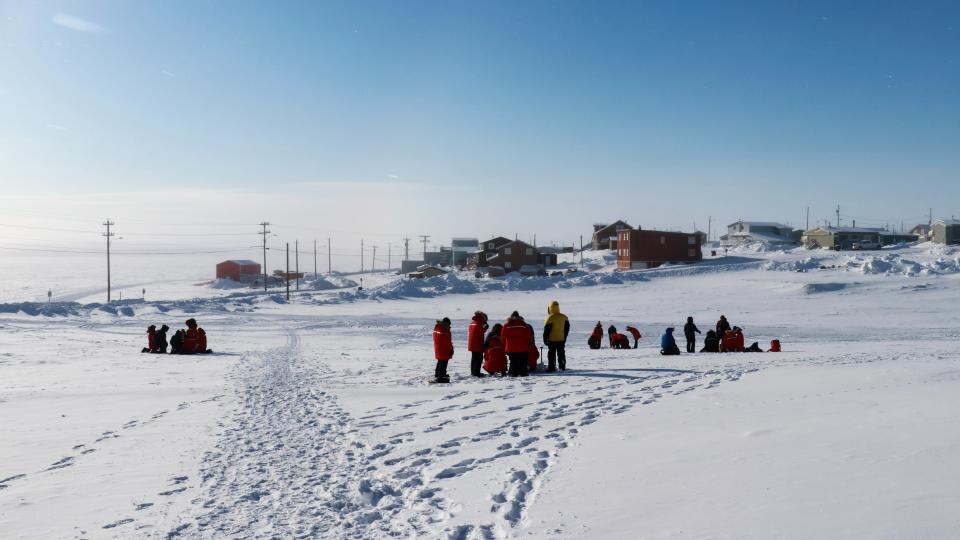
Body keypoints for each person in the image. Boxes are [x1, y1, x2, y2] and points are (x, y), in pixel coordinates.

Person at [543, 301, 570, 372]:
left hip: (552, 340)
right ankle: (562, 366)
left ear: (550, 308)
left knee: (551, 354)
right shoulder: (564, 317)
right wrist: (564, 337)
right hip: (561, 339)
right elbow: (567, 329)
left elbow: (546, 331)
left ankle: (551, 367)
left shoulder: (550, 318)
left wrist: (545, 339)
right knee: (561, 353)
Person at [502, 311, 531, 377]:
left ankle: (512, 373)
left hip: (511, 347)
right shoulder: (523, 324)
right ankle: (523, 372)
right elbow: (528, 335)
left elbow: (503, 337)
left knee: (513, 361)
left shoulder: (506, 325)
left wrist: (504, 345)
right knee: (523, 361)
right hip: (523, 347)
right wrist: (529, 343)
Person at [467, 311, 489, 377]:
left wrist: (484, 328)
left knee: (474, 358)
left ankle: (473, 372)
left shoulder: (472, 323)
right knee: (479, 358)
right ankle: (477, 372)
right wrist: (485, 328)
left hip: (472, 343)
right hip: (477, 343)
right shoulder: (479, 323)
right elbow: (480, 333)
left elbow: (477, 332)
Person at [433, 317, 454, 383]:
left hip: (439, 348)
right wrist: (451, 349)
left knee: (440, 361)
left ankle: (438, 375)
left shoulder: (438, 328)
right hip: (444, 349)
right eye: (449, 324)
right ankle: (441, 377)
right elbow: (447, 342)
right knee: (443, 362)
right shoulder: (443, 330)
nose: (449, 326)